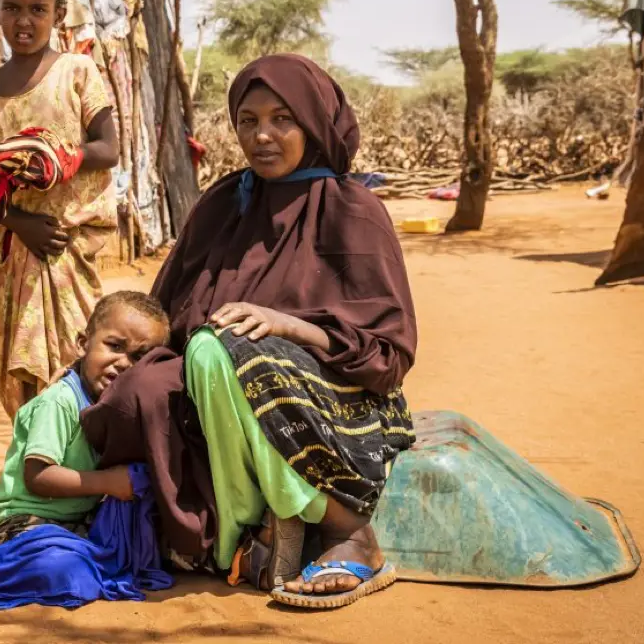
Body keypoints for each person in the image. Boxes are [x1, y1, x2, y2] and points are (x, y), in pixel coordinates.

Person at [81, 54, 419, 610]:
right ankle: (232, 534)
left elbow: (389, 352)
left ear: (313, 121)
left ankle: (345, 529)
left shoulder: (352, 209)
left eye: (282, 118)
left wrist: (291, 327)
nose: (262, 136)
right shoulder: (223, 202)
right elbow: (166, 312)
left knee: (225, 352)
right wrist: (100, 367)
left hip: (331, 395)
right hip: (211, 374)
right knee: (138, 392)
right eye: (247, 120)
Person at [0, 0, 121, 418]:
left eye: (37, 9)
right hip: (12, 251)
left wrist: (62, 158)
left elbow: (108, 149)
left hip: (67, 248)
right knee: (14, 366)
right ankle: (35, 467)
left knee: (78, 359)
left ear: (59, 13)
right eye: (11, 8)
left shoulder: (77, 72)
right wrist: (16, 220)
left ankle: (76, 471)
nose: (23, 21)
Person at [0, 291, 170, 581]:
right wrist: (109, 482)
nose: (124, 363)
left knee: (138, 552)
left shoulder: (115, 408)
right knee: (61, 572)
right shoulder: (60, 401)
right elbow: (38, 477)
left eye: (139, 357)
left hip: (78, 521)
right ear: (82, 344)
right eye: (114, 346)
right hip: (29, 521)